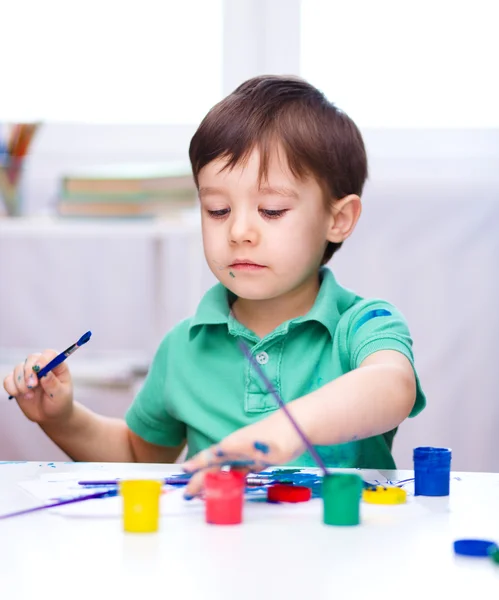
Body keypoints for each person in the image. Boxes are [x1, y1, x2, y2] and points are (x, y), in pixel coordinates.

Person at [3, 75, 425, 498]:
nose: (240, 231)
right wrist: (62, 419)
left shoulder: (365, 324)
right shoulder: (184, 346)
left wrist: (280, 432)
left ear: (339, 219)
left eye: (272, 210)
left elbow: (392, 386)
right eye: (218, 210)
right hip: (216, 556)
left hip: (346, 552)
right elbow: (137, 457)